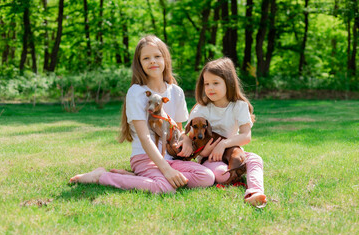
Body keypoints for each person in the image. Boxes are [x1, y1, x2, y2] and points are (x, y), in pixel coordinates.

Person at [69, 35, 215, 193]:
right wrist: (166, 170)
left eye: (157, 56)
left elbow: (178, 131)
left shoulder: (176, 91)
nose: (152, 61)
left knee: (206, 176)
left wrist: (185, 140)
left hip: (171, 158)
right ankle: (101, 176)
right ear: (139, 63)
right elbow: (145, 138)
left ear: (165, 59)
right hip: (144, 158)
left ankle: (136, 178)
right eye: (146, 58)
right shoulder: (136, 92)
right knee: (166, 188)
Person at [187, 57, 267, 207]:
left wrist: (223, 144)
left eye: (215, 83)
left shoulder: (239, 106)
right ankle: (234, 174)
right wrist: (204, 153)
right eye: (207, 84)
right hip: (210, 158)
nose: (210, 88)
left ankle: (254, 192)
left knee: (255, 159)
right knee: (221, 174)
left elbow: (246, 136)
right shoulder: (202, 108)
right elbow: (189, 136)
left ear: (229, 83)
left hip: (233, 152)